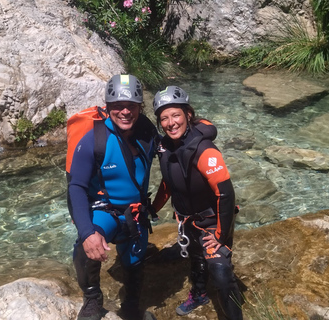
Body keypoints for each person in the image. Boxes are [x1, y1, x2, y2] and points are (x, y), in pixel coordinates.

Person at [67, 74, 159, 320]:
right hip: (104, 211)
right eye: (118, 106)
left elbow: (177, 146)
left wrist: (204, 130)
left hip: (135, 213)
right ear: (108, 107)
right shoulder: (94, 140)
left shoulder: (148, 134)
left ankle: (130, 306)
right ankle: (93, 300)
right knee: (83, 249)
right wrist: (87, 233)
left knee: (135, 263)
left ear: (140, 107)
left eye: (131, 106)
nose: (125, 112)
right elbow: (76, 186)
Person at [150, 86, 243, 319]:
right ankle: (199, 293)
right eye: (164, 118)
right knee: (196, 257)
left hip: (212, 219)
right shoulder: (165, 147)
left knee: (220, 269)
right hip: (187, 219)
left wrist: (221, 234)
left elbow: (226, 194)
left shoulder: (204, 149)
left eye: (176, 115)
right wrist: (153, 208)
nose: (171, 123)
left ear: (188, 115)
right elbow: (169, 182)